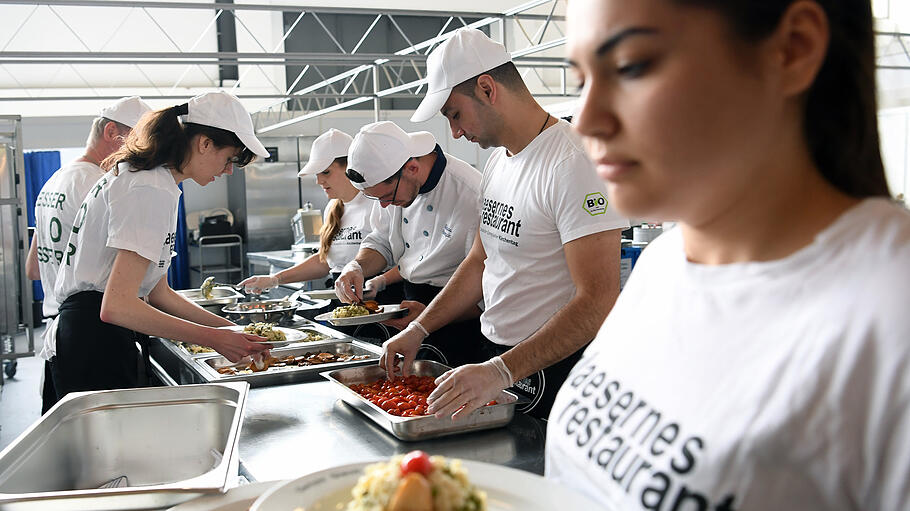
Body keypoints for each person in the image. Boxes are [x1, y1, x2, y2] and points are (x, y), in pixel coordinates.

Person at [546, 0, 910, 509]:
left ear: (793, 49)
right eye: (582, 79)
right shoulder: (663, 265)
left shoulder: (889, 318)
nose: (586, 120)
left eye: (631, 66)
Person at [383, 27, 629, 420]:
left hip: (555, 367)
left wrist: (502, 370)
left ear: (486, 88)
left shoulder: (573, 163)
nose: (456, 133)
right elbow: (481, 260)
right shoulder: (499, 161)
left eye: (455, 114)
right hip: (496, 357)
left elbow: (597, 301)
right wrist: (419, 329)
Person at [50, 91, 272, 401]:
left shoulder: (155, 181)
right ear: (205, 143)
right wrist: (215, 338)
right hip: (94, 337)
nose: (228, 170)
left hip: (93, 332)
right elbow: (117, 305)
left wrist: (232, 331)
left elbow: (158, 292)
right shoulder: (148, 187)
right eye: (229, 158)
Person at [26, 96, 151, 414]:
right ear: (112, 133)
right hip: (93, 333)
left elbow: (33, 268)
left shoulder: (53, 181)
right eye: (139, 142)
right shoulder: (99, 185)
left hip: (61, 333)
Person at [334, 121, 483, 367]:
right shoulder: (393, 182)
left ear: (412, 168)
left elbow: (482, 285)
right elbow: (381, 241)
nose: (383, 206)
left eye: (386, 197)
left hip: (459, 316)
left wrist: (427, 317)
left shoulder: (471, 194)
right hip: (410, 306)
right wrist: (357, 266)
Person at [238, 129, 400, 302]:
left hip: (377, 296)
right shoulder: (332, 207)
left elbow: (398, 257)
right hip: (341, 297)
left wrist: (379, 281)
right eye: (317, 174)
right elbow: (325, 261)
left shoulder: (377, 202)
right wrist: (274, 279)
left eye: (326, 172)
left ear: (349, 167)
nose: (318, 181)